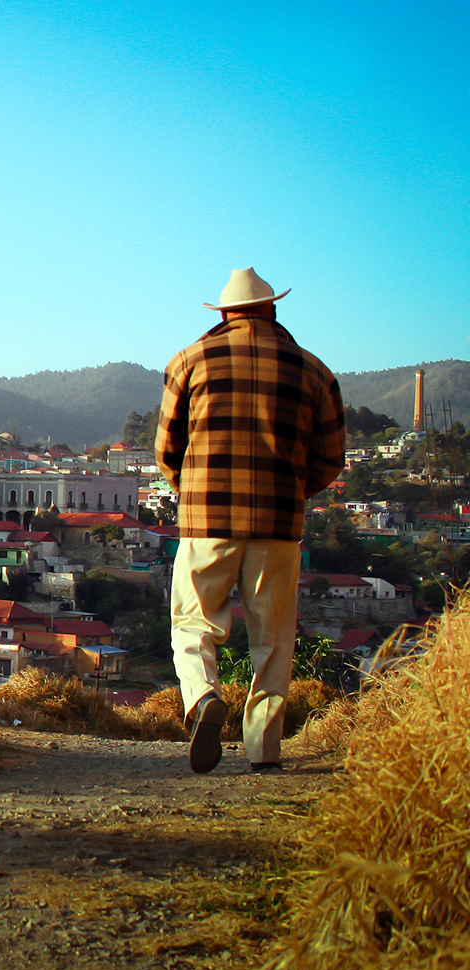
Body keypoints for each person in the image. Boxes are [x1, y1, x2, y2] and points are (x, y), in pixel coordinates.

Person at [155, 267, 345, 775]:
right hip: (279, 526)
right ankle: (264, 749)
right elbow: (330, 460)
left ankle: (201, 700)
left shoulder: (189, 361)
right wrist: (291, 491)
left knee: (193, 621)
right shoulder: (314, 371)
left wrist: (190, 491)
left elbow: (166, 449)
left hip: (205, 520)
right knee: (274, 638)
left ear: (223, 314)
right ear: (273, 311)